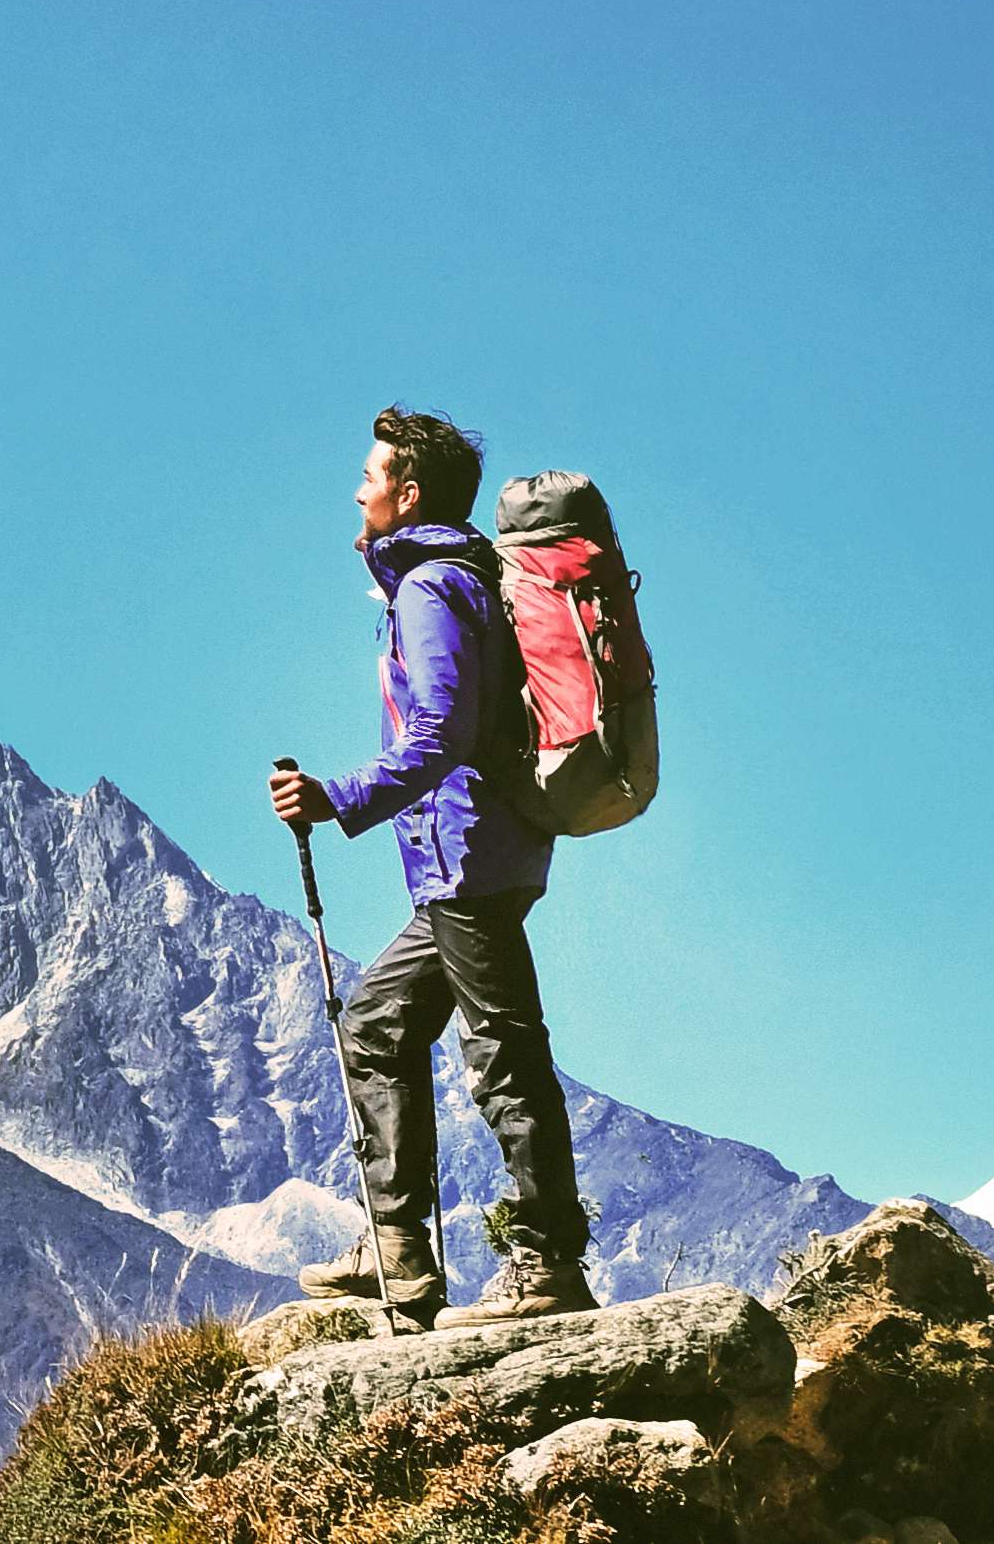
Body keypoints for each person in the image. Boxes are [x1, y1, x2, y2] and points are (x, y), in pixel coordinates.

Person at [267, 406, 596, 1329]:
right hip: (479, 854)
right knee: (375, 1026)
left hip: (468, 851)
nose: (357, 489)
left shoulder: (429, 587)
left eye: (370, 475)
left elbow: (440, 733)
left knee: (501, 1050)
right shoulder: (467, 576)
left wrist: (337, 796)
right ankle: (397, 1254)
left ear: (407, 495)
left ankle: (545, 1264)